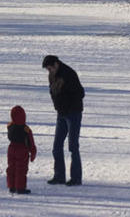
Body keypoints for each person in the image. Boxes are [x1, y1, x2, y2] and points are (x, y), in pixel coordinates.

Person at [43, 55, 84, 186]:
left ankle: (76, 178)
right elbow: (53, 92)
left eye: (50, 68)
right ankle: (59, 175)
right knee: (56, 147)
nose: (49, 71)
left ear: (56, 64)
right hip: (61, 114)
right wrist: (58, 106)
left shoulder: (69, 74)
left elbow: (80, 93)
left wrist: (68, 103)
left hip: (73, 113)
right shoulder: (52, 76)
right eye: (48, 70)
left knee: (73, 146)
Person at [7, 105, 37, 194]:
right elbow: (31, 142)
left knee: (11, 168)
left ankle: (11, 186)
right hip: (22, 150)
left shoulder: (10, 126)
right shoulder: (26, 129)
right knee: (21, 169)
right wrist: (33, 153)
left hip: (11, 149)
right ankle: (20, 187)